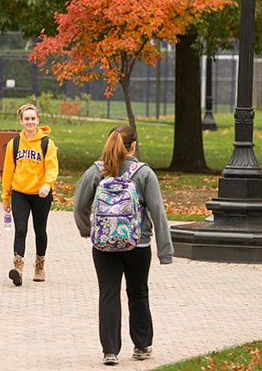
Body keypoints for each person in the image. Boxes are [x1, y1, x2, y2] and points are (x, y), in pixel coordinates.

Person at [73, 125, 172, 366]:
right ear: (133, 146)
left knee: (108, 294)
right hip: (138, 244)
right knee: (138, 293)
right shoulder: (144, 173)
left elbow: (78, 206)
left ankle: (110, 351)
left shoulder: (97, 171)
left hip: (104, 245)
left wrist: (88, 230)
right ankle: (141, 345)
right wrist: (165, 250)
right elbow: (158, 212)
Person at [2, 103, 58, 285]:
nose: (30, 122)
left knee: (40, 230)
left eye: (33, 118)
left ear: (38, 120)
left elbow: (52, 167)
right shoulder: (14, 143)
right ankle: (18, 267)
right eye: (26, 119)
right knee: (20, 230)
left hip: (41, 194)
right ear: (21, 121)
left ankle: (39, 266)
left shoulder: (46, 143)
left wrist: (47, 185)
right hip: (20, 193)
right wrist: (5, 196)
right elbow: (8, 171)